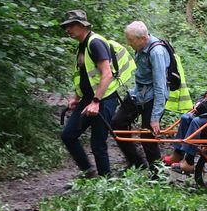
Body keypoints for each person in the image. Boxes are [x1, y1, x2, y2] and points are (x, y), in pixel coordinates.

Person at [60, 10, 135, 178]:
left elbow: (107, 73)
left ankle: (104, 181)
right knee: (68, 135)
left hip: (103, 100)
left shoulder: (95, 43)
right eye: (66, 26)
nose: (68, 30)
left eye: (71, 26)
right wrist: (77, 98)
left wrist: (96, 101)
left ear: (82, 25)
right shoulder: (82, 45)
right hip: (89, 99)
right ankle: (89, 172)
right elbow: (85, 75)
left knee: (98, 144)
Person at [111, 21, 170, 171]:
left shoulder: (156, 53)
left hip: (153, 96)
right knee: (117, 123)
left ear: (143, 38)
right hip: (138, 93)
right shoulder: (140, 46)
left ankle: (157, 176)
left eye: (131, 40)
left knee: (147, 136)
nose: (128, 43)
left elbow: (160, 86)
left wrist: (155, 117)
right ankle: (137, 162)